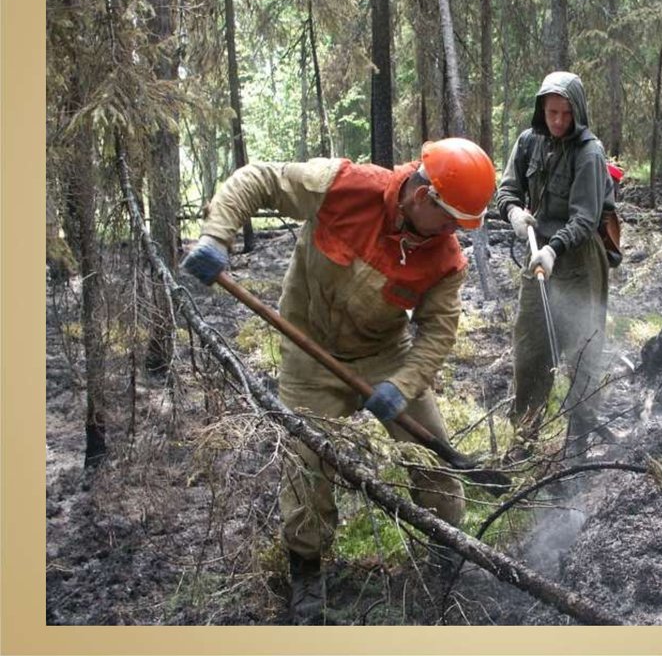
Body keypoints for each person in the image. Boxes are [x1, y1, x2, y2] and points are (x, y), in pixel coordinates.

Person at [181, 138, 496, 623]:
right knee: (306, 467)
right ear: (421, 197)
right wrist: (216, 236)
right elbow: (261, 178)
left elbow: (437, 334)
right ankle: (307, 571)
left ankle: (447, 550)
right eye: (451, 218)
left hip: (384, 356)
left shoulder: (445, 257)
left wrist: (404, 385)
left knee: (433, 455)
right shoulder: (346, 187)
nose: (454, 232)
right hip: (309, 353)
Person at [495, 71, 617, 461]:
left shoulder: (590, 153)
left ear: (577, 111)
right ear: (541, 110)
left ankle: (577, 450)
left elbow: (584, 217)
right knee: (531, 349)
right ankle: (524, 445)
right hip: (538, 257)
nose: (558, 121)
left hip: (579, 259)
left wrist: (555, 248)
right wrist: (513, 211)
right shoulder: (529, 143)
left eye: (565, 113)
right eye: (552, 112)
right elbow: (508, 188)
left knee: (582, 350)